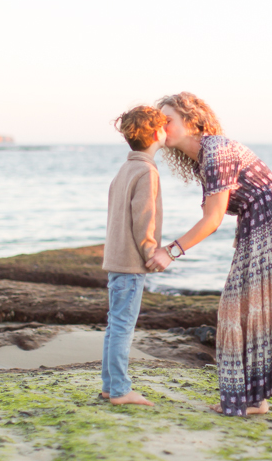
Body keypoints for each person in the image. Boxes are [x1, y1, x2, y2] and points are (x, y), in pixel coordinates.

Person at [146, 92, 272, 417]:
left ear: (192, 121)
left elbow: (212, 220)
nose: (162, 127)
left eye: (169, 120)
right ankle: (254, 399)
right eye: (159, 121)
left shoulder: (216, 151)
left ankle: (248, 399)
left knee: (238, 309)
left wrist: (171, 252)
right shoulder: (206, 155)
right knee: (251, 310)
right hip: (270, 222)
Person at [100, 106, 167, 406]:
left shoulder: (124, 169)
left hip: (116, 260)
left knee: (115, 324)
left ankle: (109, 385)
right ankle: (120, 390)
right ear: (156, 134)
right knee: (123, 325)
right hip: (130, 262)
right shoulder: (147, 171)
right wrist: (150, 251)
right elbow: (144, 217)